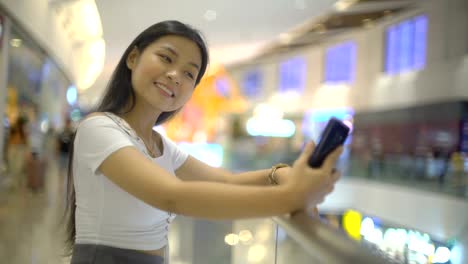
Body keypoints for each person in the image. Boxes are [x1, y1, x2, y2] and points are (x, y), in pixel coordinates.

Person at [64, 20, 343, 264]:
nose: (175, 75)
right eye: (166, 58)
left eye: (189, 73)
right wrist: (292, 197)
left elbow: (226, 182)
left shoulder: (158, 144)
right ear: (133, 58)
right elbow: (171, 196)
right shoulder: (99, 128)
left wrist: (279, 174)